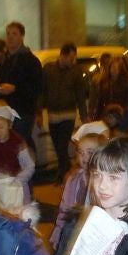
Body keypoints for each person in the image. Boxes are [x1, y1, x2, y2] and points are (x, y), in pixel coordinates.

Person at [50, 123, 108, 251]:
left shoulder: (106, 183)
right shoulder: (74, 179)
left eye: (90, 152)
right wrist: (59, 230)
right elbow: (65, 207)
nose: (84, 157)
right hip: (74, 231)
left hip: (96, 236)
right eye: (80, 152)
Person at [0, 21, 43, 149]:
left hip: (22, 113)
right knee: (11, 145)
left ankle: (29, 161)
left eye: (14, 34)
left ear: (22, 36)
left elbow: (38, 87)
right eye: (8, 34)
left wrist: (15, 89)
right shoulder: (3, 60)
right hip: (4, 112)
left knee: (19, 144)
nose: (10, 37)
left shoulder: (31, 61)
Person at [0, 100, 35, 215]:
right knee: (0, 213)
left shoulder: (18, 143)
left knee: (20, 213)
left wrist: (19, 180)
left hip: (17, 185)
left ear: (9, 124)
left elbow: (29, 166)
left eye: (1, 127)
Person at [43, 43, 87, 182]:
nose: (73, 61)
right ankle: (67, 170)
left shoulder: (76, 71)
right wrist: (39, 112)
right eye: (71, 58)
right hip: (52, 115)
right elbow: (43, 91)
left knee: (62, 145)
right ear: (63, 55)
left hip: (68, 114)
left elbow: (80, 94)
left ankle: (62, 175)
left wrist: (84, 116)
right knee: (57, 146)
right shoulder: (49, 69)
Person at [89, 55, 128, 123]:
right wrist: (96, 118)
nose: (114, 70)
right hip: (107, 115)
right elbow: (100, 101)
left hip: (121, 115)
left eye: (117, 67)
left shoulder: (126, 83)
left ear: (120, 69)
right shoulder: (103, 82)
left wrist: (122, 111)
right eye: (112, 67)